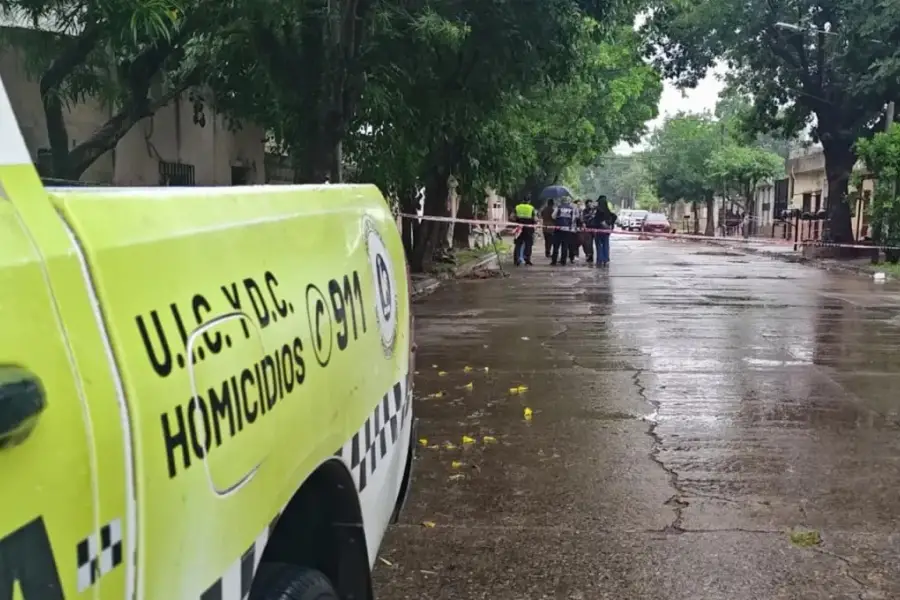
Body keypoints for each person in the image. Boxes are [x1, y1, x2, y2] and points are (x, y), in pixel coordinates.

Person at [588, 195, 616, 267]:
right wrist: (610, 224)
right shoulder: (607, 211)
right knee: (606, 245)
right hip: (606, 230)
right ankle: (606, 259)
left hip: (598, 230)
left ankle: (599, 260)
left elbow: (594, 219)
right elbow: (614, 216)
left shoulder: (598, 211)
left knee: (599, 245)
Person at [550, 196, 578, 265]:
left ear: (561, 201)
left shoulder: (558, 207)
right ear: (568, 201)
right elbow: (573, 219)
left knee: (556, 246)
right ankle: (563, 261)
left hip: (558, 229)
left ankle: (554, 261)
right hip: (567, 229)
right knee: (565, 246)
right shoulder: (572, 209)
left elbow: (553, 216)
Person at [513, 197, 537, 266]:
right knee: (528, 244)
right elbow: (535, 219)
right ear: (529, 201)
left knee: (518, 244)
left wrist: (518, 219)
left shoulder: (517, 207)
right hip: (528, 229)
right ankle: (527, 259)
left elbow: (512, 216)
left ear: (523, 200)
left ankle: (517, 259)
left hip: (519, 228)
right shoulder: (531, 208)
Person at [579, 199, 596, 263]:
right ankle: (589, 256)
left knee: (597, 243)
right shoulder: (584, 211)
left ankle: (600, 257)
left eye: (591, 204)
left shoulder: (595, 210)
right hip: (588, 229)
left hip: (595, 228)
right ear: (586, 205)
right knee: (588, 244)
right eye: (588, 204)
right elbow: (582, 219)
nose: (590, 205)